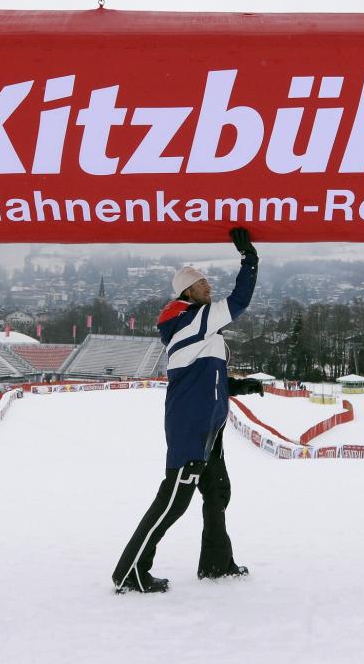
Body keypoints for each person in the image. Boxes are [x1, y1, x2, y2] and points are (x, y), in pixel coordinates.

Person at [112, 227, 264, 595]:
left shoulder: (198, 327)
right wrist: (250, 260)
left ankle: (216, 563)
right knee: (173, 501)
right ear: (187, 292)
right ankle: (130, 572)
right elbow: (239, 301)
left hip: (210, 427)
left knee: (217, 493)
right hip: (192, 427)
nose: (209, 288)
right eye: (203, 284)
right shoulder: (192, 319)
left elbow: (205, 378)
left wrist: (238, 386)